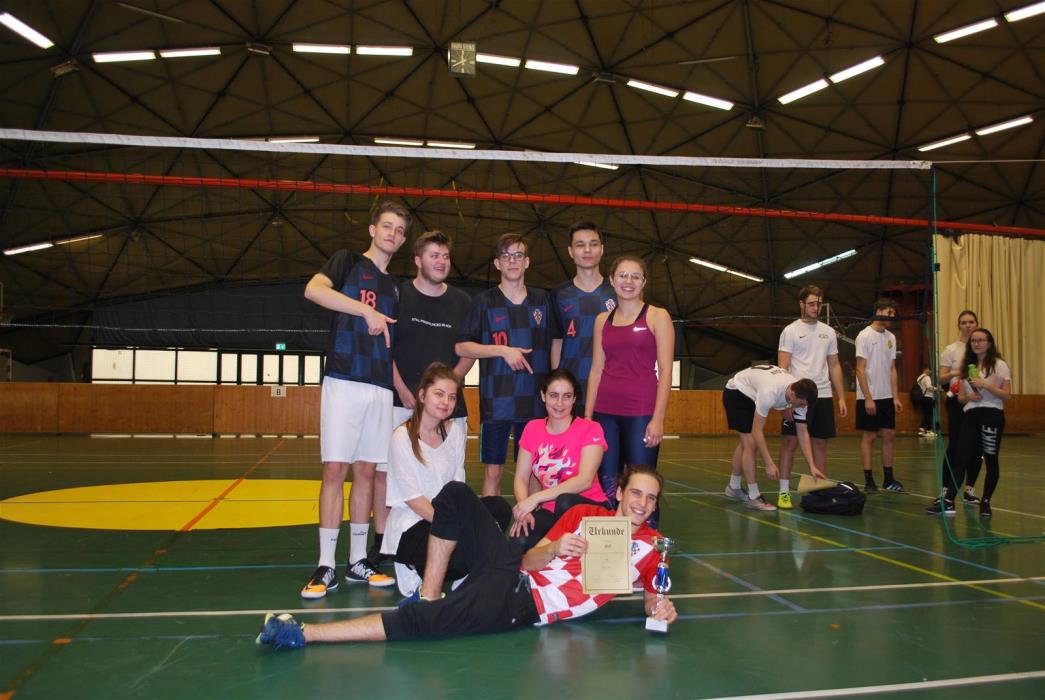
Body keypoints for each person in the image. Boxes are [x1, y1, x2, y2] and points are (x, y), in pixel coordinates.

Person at [256, 464, 677, 649]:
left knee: (421, 625)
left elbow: (652, 599)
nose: (642, 503)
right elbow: (530, 560)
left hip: (520, 604)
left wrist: (661, 607)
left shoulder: (652, 546)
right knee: (457, 494)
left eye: (651, 498)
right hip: (512, 566)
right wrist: (553, 548)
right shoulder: (584, 515)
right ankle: (429, 592)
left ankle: (304, 634)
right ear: (620, 493)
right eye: (636, 493)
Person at [299, 200, 409, 597]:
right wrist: (365, 310)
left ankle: (357, 560)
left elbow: (391, 345)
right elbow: (313, 290)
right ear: (372, 229)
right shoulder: (346, 261)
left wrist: (401, 388)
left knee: (366, 472)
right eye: (387, 226)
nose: (393, 234)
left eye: (400, 231)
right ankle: (325, 564)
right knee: (335, 470)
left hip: (379, 387)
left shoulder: (395, 287)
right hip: (344, 378)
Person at [372, 230, 475, 564]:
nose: (441, 261)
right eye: (434, 255)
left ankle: (444, 531)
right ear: (418, 260)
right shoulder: (398, 294)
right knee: (385, 472)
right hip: (401, 399)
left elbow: (469, 350)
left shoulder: (462, 301)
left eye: (445, 256)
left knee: (450, 472)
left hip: (446, 407)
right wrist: (403, 389)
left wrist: (446, 391)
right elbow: (385, 347)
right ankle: (384, 542)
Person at [382, 363, 510, 595]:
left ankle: (463, 570)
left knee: (498, 508)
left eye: (452, 397)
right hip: (413, 524)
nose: (446, 402)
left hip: (448, 516)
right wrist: (458, 528)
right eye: (439, 394)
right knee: (469, 544)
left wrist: (464, 524)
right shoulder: (402, 437)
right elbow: (413, 500)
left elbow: (458, 485)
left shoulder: (455, 433)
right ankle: (412, 567)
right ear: (422, 395)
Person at [456, 233, 560, 497]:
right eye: (506, 256)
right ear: (497, 263)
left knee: (535, 471)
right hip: (496, 400)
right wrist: (501, 350)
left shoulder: (543, 300)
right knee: (493, 471)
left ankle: (533, 521)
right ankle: (491, 520)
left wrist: (556, 384)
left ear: (527, 262)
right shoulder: (483, 302)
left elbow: (556, 343)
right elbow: (462, 347)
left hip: (535, 401)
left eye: (518, 255)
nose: (512, 261)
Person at [585, 255, 674, 526]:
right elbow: (596, 370)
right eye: (623, 275)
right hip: (604, 413)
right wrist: (588, 419)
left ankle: (647, 544)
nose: (628, 281)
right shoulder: (602, 320)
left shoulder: (657, 316)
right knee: (607, 483)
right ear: (612, 280)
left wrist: (658, 418)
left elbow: (666, 370)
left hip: (640, 413)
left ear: (644, 282)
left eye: (635, 276)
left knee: (642, 484)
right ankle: (611, 543)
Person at [510, 369, 610, 551]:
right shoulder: (532, 429)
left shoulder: (590, 429)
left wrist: (536, 499)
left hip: (589, 507)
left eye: (567, 396)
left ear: (574, 399)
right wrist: (525, 509)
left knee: (565, 502)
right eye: (553, 395)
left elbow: (585, 481)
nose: (559, 403)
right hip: (551, 510)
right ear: (543, 396)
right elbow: (521, 478)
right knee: (520, 540)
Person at [775, 285, 848, 510]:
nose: (816, 308)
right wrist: (786, 401)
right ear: (801, 304)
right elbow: (783, 366)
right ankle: (784, 492)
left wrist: (841, 396)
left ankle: (818, 492)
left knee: (820, 443)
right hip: (798, 396)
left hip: (823, 395)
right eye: (812, 304)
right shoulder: (790, 331)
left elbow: (834, 365)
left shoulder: (828, 332)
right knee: (790, 442)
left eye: (819, 304)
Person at [926, 329, 1011, 517]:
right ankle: (949, 501)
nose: (977, 343)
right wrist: (969, 397)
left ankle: (986, 502)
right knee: (961, 457)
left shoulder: (999, 365)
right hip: (971, 416)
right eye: (973, 341)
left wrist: (986, 385)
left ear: (989, 343)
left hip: (992, 416)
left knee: (990, 458)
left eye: (981, 340)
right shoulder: (967, 368)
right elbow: (961, 398)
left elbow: (1006, 395)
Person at [722, 365, 823, 512]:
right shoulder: (770, 392)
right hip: (737, 392)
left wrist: (812, 466)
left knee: (746, 443)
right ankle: (753, 496)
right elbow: (757, 430)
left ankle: (733, 487)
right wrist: (769, 463)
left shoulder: (801, 395)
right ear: (793, 394)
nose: (802, 407)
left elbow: (802, 431)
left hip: (753, 392)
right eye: (801, 404)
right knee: (750, 443)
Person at [551, 222, 617, 415]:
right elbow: (557, 341)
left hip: (609, 387)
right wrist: (557, 382)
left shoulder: (617, 291)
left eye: (593, 244)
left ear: (602, 249)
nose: (587, 250)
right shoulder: (559, 294)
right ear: (570, 251)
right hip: (572, 390)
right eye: (580, 245)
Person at [854, 299, 904, 493]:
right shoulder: (864, 336)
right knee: (869, 436)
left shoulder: (891, 337)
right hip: (869, 396)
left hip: (886, 396)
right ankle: (869, 480)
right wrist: (868, 397)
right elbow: (860, 369)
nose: (892, 317)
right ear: (878, 311)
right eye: (889, 313)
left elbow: (892, 369)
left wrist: (895, 396)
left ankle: (889, 479)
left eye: (893, 313)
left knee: (889, 435)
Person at [938, 310, 980, 502]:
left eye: (971, 322)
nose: (968, 325)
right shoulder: (951, 350)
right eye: (964, 322)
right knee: (955, 444)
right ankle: (945, 488)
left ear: (976, 324)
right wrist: (957, 372)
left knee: (977, 446)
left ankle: (969, 489)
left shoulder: (982, 349)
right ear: (959, 326)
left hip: (979, 401)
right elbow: (942, 378)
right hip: (957, 401)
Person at [916, 367, 936, 436]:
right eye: (930, 371)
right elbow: (928, 387)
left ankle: (922, 428)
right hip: (928, 397)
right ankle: (928, 430)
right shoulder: (927, 377)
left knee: (925, 414)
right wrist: (937, 389)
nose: (930, 372)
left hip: (922, 397)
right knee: (929, 414)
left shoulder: (919, 378)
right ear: (926, 369)